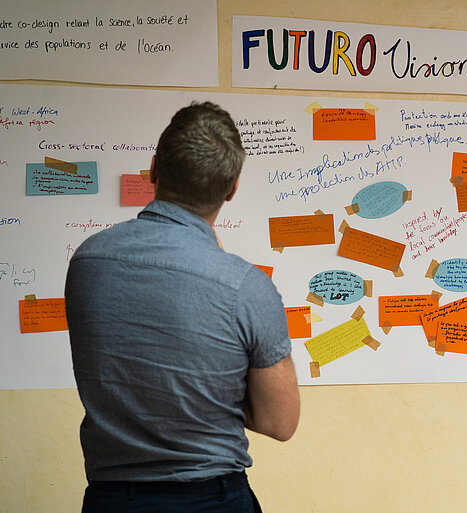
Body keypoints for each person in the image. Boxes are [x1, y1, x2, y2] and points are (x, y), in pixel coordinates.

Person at [65, 101, 300, 513]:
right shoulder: (245, 286)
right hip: (212, 500)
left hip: (111, 500)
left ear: (154, 168)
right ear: (232, 189)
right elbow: (279, 422)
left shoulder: (88, 260)